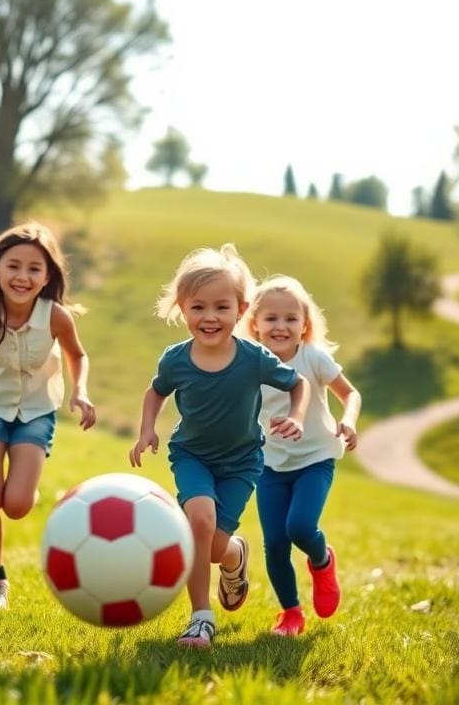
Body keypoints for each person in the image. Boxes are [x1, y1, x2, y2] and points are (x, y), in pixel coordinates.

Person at [129, 244, 309, 648]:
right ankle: (200, 618)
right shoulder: (175, 360)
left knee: (211, 548)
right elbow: (156, 392)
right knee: (198, 521)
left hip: (241, 463)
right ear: (183, 309)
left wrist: (296, 416)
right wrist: (147, 430)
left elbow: (298, 383)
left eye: (221, 307)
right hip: (192, 456)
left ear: (241, 310)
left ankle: (234, 555)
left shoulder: (254, 358)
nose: (209, 317)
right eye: (198, 307)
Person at [0, 221, 96, 610]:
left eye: (34, 269)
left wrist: (80, 391)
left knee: (18, 504)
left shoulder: (55, 316)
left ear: (47, 277)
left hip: (36, 411)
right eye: (13, 266)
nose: (22, 276)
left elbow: (77, 355)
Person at [244, 275, 361, 636]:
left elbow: (350, 393)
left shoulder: (313, 358)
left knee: (299, 527)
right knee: (276, 543)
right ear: (255, 324)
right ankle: (291, 613)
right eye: (271, 318)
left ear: (304, 325)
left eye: (291, 319)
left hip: (315, 459)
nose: (281, 326)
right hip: (270, 465)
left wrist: (348, 420)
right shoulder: (248, 362)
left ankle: (322, 560)